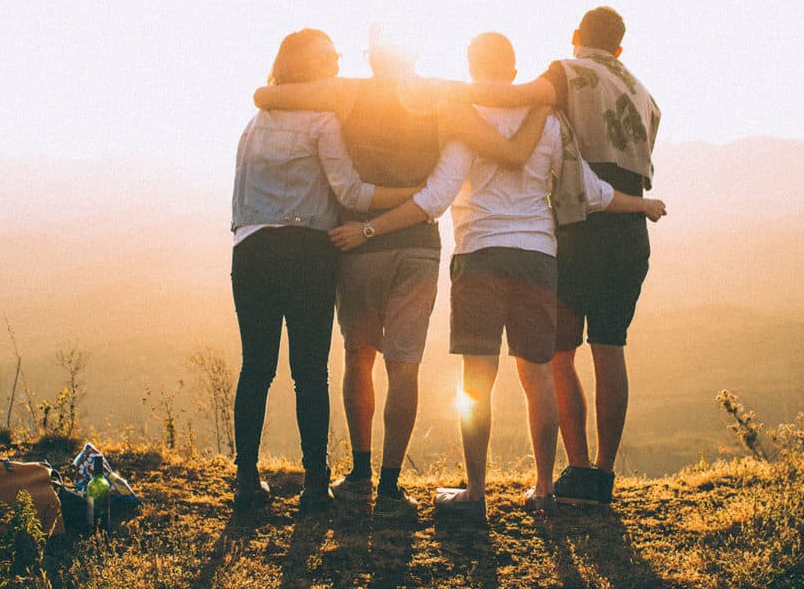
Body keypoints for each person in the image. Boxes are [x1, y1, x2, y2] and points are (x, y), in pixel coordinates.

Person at [331, 32, 665, 517]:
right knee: (538, 377)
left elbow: (435, 198)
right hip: (538, 259)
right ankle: (545, 489)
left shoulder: (466, 118)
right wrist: (643, 205)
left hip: (480, 256)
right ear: (513, 71)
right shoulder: (549, 121)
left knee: (477, 380)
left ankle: (475, 494)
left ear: (472, 66)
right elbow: (591, 191)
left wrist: (369, 228)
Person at [251, 27, 548, 516]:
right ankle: (390, 488)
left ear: (372, 58)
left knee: (358, 356)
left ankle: (360, 473)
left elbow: (268, 95)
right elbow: (504, 150)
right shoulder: (443, 97)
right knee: (404, 365)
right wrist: (542, 102)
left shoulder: (348, 92)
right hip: (418, 247)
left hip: (357, 245)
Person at [457, 7, 663, 505]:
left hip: (579, 226)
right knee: (610, 348)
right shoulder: (643, 93)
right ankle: (604, 476)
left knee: (559, 354)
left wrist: (446, 96)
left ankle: (576, 469)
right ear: (619, 48)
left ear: (576, 37)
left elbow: (513, 98)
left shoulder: (565, 72)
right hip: (629, 228)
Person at [231, 28, 420, 516]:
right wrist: (411, 196)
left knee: (256, 368)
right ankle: (315, 485)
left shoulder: (255, 123)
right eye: (327, 57)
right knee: (309, 371)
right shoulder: (323, 120)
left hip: (250, 250)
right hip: (306, 253)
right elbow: (352, 194)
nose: (336, 61)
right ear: (307, 68)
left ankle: (247, 481)